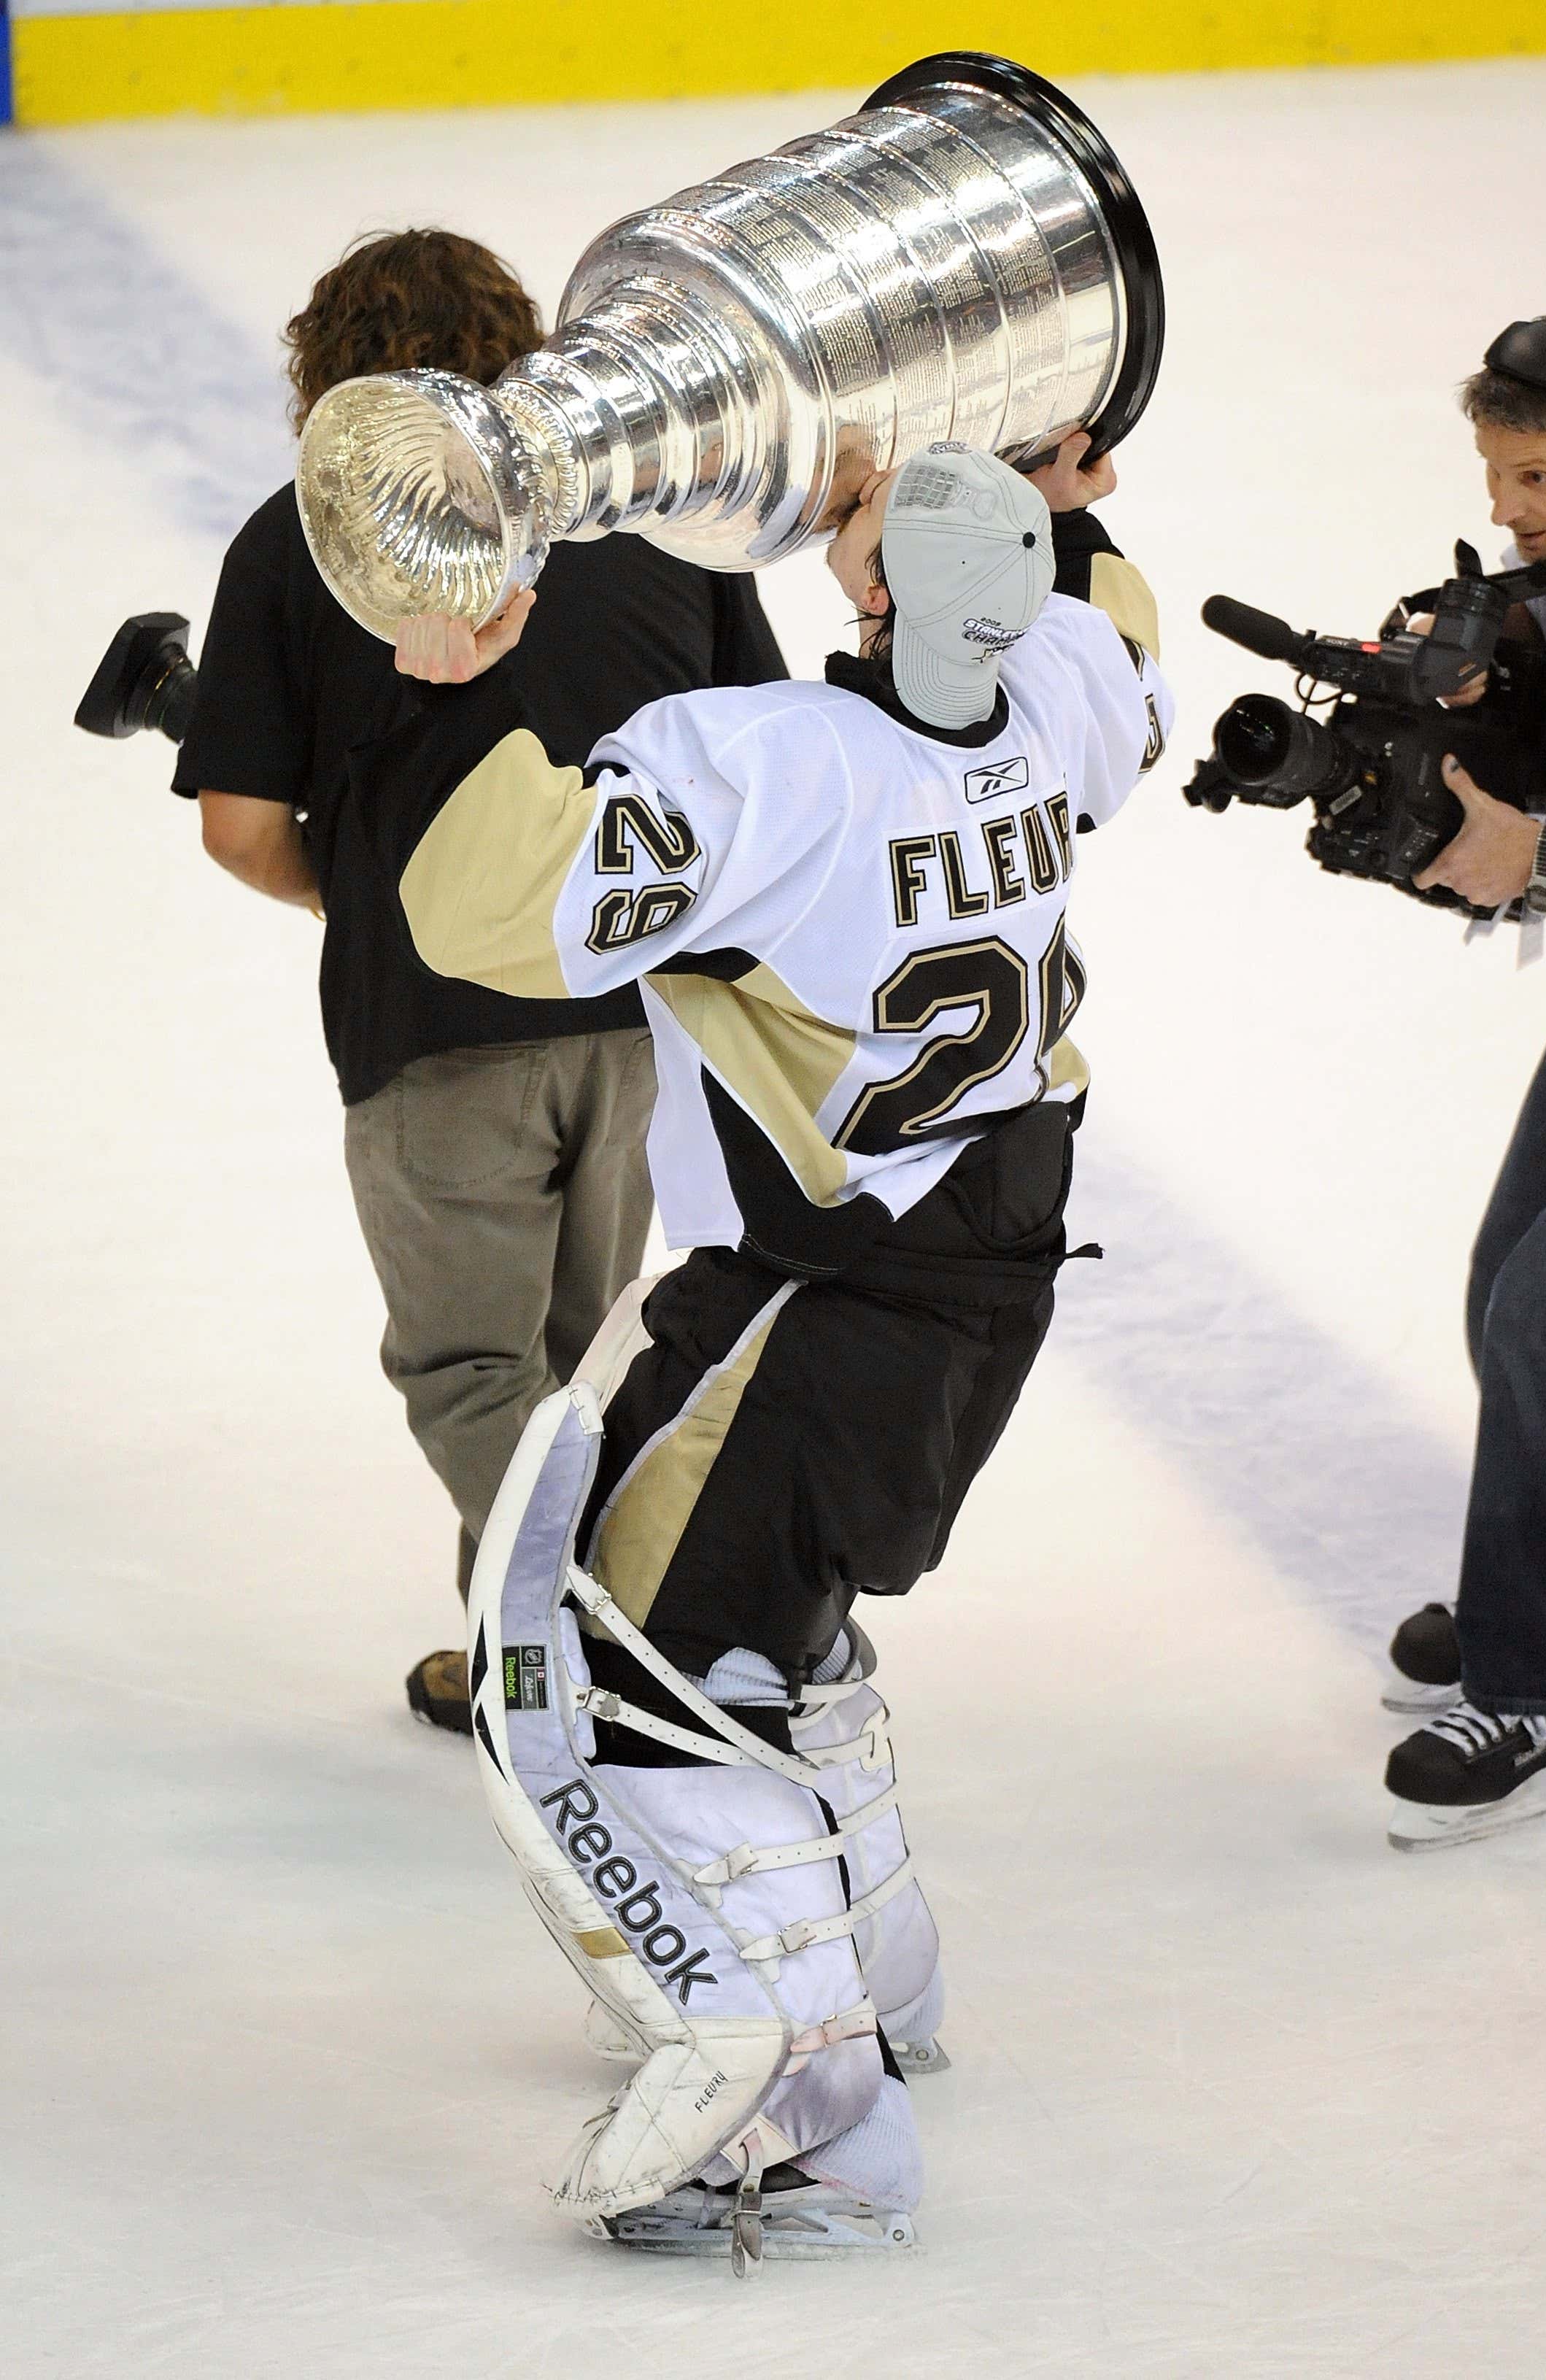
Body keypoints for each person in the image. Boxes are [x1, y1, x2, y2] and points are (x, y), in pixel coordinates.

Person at [367, 430, 1169, 2259]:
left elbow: (483, 912)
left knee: (648, 1682)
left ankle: (811, 2130)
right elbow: (1112, 630)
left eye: (872, 520)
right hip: (992, 1272)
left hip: (816, 1297)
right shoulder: (1059, 695)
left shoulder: (767, 761)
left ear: (871, 588)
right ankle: (880, 1987)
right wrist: (1052, 507)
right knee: (776, 1645)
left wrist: (456, 683)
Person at [171, 228, 786, 1732]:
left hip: (435, 1036)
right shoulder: (651, 511)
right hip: (642, 1020)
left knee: (468, 1372)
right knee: (573, 1364)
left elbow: (241, 827)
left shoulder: (301, 543)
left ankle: (622, 1640)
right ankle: (522, 1659)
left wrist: (374, 899)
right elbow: (762, 751)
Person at [1380, 314, 1546, 1849]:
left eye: (1536, 474)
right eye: (1493, 472)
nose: (1503, 506)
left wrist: (1540, 853)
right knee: (1504, 1288)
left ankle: (1537, 1692)